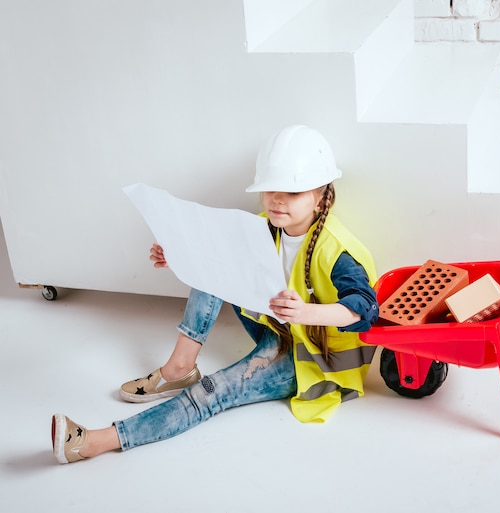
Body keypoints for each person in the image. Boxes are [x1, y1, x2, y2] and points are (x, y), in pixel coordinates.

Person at [51, 124, 379, 464]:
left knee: (215, 391)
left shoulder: (335, 250)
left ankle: (96, 442)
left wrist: (306, 313)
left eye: (293, 193)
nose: (278, 200)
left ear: (321, 196)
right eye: (271, 190)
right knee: (219, 262)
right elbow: (220, 261)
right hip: (282, 329)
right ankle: (180, 367)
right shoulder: (266, 224)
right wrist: (180, 259)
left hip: (314, 358)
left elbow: (366, 309)